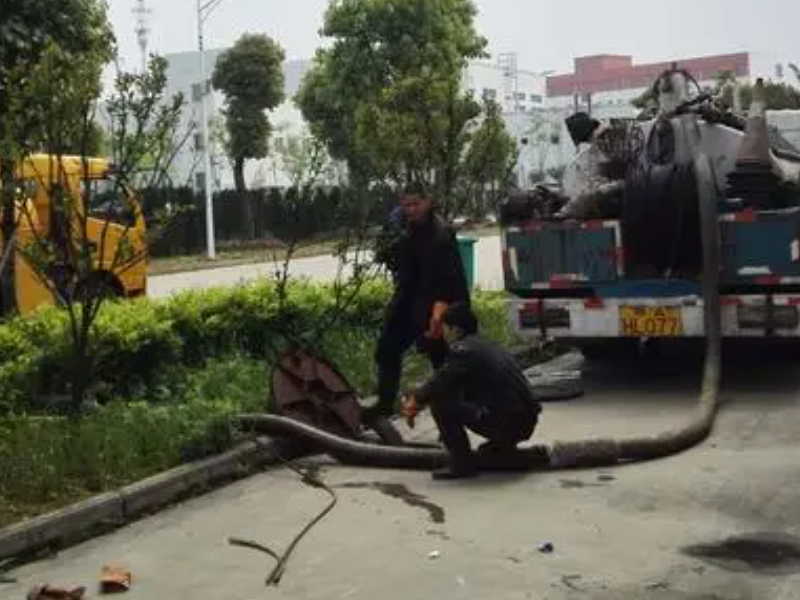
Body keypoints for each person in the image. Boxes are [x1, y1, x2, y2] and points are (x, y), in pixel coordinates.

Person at [365, 185, 470, 426]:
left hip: (436, 305)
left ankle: (455, 411)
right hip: (409, 302)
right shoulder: (404, 229)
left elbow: (448, 281)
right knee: (387, 349)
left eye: (415, 204)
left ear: (428, 202)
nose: (411, 210)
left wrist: (440, 316)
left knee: (441, 360)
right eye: (406, 205)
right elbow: (395, 262)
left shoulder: (441, 235)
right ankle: (384, 404)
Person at [402, 303, 542, 480]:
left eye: (445, 328)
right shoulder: (488, 345)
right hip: (525, 421)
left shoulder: (463, 351)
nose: (443, 334)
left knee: (440, 403)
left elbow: (440, 383)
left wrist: (416, 400)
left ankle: (462, 464)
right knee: (461, 396)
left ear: (455, 329)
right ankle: (503, 448)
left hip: (507, 423)